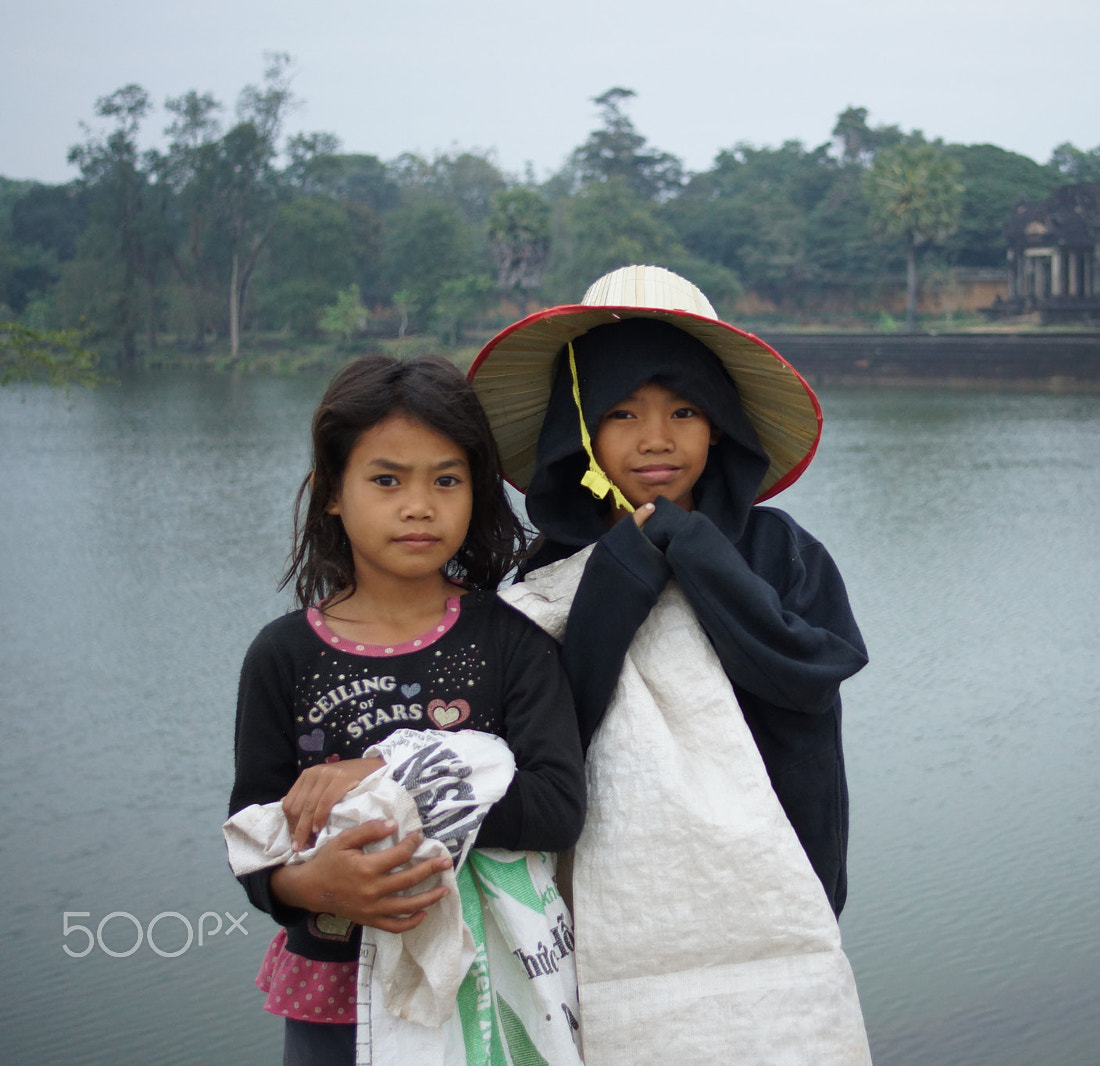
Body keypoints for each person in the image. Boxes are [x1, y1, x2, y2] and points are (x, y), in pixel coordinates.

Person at [469, 265, 871, 1063]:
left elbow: (809, 674)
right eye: (621, 413)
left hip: (780, 872)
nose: (656, 440)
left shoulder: (780, 549)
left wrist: (690, 546)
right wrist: (622, 569)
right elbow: (552, 730)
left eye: (685, 410)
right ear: (578, 432)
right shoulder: (549, 576)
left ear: (720, 423)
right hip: (619, 901)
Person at [227, 355, 585, 1066]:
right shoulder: (284, 656)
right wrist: (310, 883)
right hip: (332, 989)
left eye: (446, 480)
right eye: (386, 479)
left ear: (475, 493)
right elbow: (254, 834)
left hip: (490, 974)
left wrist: (386, 775)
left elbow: (555, 805)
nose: (419, 505)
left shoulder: (512, 642)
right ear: (332, 491)